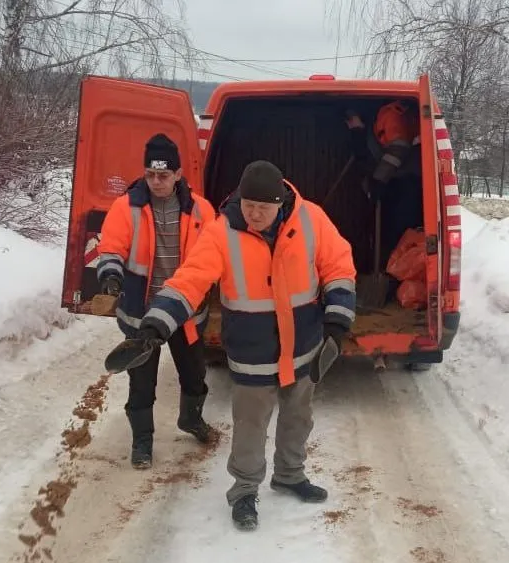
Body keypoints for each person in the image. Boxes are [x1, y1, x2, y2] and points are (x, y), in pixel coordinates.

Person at [132, 160, 356, 530]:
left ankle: (289, 474)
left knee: (298, 417)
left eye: (263, 208)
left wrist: (337, 321)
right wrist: (156, 324)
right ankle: (244, 492)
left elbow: (338, 266)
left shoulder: (311, 219)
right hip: (254, 352)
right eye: (248, 205)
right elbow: (190, 280)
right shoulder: (222, 233)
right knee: (251, 424)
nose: (254, 214)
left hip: (304, 346)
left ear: (280, 203)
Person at [96, 133, 217, 469]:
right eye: (150, 174)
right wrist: (110, 275)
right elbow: (112, 247)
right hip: (142, 312)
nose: (156, 181)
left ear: (178, 174)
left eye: (164, 175)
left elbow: (215, 256)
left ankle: (191, 420)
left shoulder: (201, 210)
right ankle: (142, 442)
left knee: (194, 375)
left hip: (185, 312)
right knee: (141, 382)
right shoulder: (127, 207)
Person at [346, 100, 423, 264]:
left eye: (351, 120)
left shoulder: (390, 115)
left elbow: (399, 148)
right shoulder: (373, 125)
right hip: (398, 180)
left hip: (407, 182)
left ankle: (395, 276)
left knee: (399, 232)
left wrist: (378, 180)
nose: (349, 124)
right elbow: (365, 155)